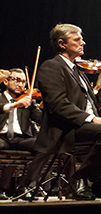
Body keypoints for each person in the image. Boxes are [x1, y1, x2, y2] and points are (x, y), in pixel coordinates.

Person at [16, 24, 101, 201]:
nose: (83, 42)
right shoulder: (51, 67)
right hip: (68, 129)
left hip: (87, 126)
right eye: (77, 39)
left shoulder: (79, 71)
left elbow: (94, 103)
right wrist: (92, 119)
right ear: (61, 44)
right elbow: (58, 104)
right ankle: (81, 178)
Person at [0, 68, 42, 199]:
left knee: (44, 145)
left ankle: (25, 186)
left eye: (23, 82)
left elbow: (40, 119)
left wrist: (47, 102)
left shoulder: (28, 100)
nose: (21, 85)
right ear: (6, 81)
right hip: (2, 137)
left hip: (21, 139)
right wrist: (15, 105)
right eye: (17, 80)